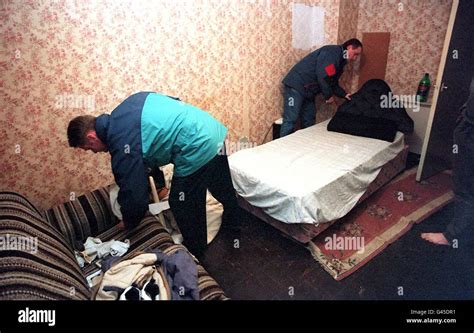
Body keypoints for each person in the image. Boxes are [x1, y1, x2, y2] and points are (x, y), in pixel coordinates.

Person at [67, 92, 240, 258]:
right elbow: (168, 112)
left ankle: (197, 252)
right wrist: (160, 185)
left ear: (91, 138)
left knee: (182, 203)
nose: (94, 152)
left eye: (90, 149)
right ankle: (235, 222)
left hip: (196, 145)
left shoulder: (120, 142)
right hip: (211, 129)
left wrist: (129, 221)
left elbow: (135, 196)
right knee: (221, 184)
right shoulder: (129, 105)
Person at [421, 76, 474, 248]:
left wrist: (465, 117)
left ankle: (452, 235)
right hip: (468, 127)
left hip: (470, 132)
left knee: (465, 187)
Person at [280, 38, 363, 137]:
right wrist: (328, 96)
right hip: (296, 85)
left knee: (309, 119)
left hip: (308, 90)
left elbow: (332, 82)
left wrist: (344, 94)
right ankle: (281, 149)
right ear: (349, 47)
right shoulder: (332, 53)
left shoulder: (340, 61)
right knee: (291, 119)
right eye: (355, 54)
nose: (354, 58)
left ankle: (304, 146)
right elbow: (323, 76)